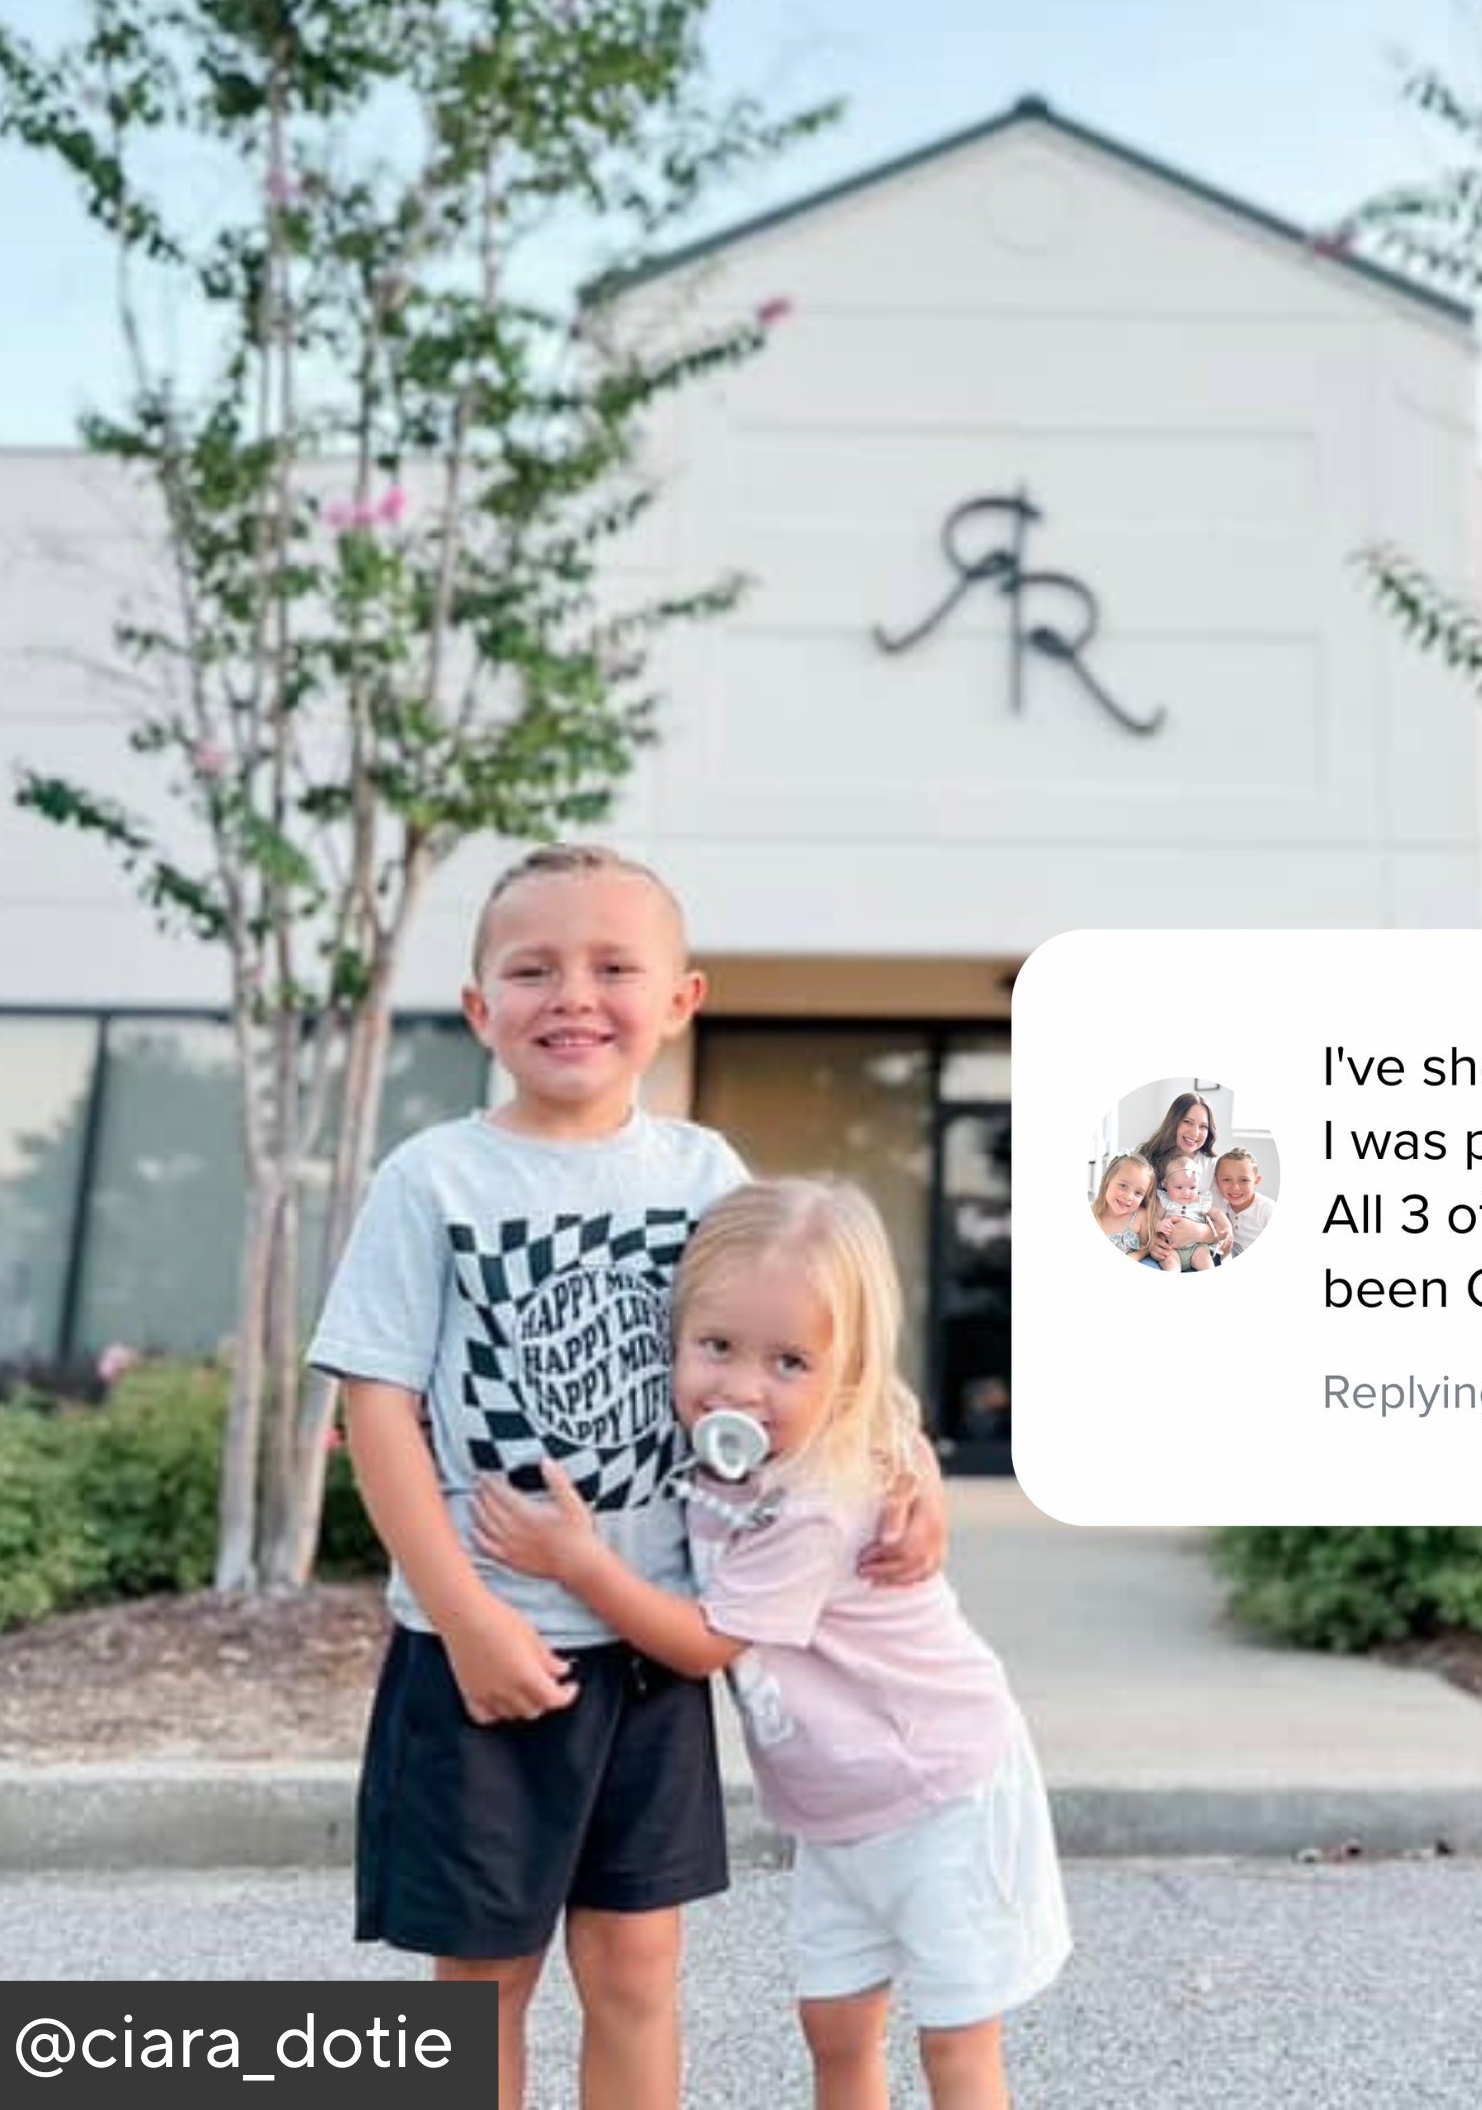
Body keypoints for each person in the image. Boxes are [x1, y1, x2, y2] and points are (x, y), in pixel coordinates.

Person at [309, 844, 946, 2110]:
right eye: (533, 969)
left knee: (639, 1962)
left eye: (613, 967)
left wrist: (908, 1455)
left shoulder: (704, 1173)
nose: (574, 995)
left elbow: (817, 1340)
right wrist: (469, 1615)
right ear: (481, 1007)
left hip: (647, 1640)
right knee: (483, 1979)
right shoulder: (433, 1180)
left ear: (679, 1002)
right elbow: (378, 1409)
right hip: (482, 1653)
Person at [474, 1178, 1070, 2110]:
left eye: (791, 1362)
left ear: (846, 1373)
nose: (743, 1387)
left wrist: (578, 1564)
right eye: (717, 1347)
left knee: (955, 2038)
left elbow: (708, 1645)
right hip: (840, 1812)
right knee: (834, 2029)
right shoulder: (725, 1455)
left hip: (941, 1791)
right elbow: (890, 1413)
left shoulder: (814, 1502)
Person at [1136, 1094, 1224, 1269]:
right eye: (1187, 1122)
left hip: (1200, 1249)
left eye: (1203, 1126)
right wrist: (1149, 1241)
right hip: (1158, 1249)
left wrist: (1198, 1232)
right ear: (1173, 1122)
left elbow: (1224, 1226)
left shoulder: (1214, 1166)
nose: (1195, 1133)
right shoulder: (1148, 1158)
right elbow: (1133, 1209)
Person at [1148, 1150, 1230, 1273]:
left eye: (1192, 1187)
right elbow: (1152, 1219)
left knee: (1207, 1262)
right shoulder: (1164, 1202)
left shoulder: (1200, 1201)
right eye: (1179, 1187)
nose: (1186, 1193)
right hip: (1171, 1249)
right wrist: (1159, 1225)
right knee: (1171, 1267)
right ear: (1166, 1184)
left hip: (1196, 1247)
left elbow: (1217, 1213)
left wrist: (1228, 1227)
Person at [1088, 1151, 1158, 1261]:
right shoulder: (1093, 1213)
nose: (1129, 1196)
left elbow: (1144, 1248)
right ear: (1108, 1181)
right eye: (1123, 1186)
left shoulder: (1141, 1217)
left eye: (1138, 1193)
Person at [1213, 1149, 1277, 1260]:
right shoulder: (1222, 1209)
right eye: (1227, 1179)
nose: (1235, 1188)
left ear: (1256, 1181)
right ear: (1217, 1181)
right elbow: (1231, 1243)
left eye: (1243, 1180)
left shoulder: (1268, 1209)